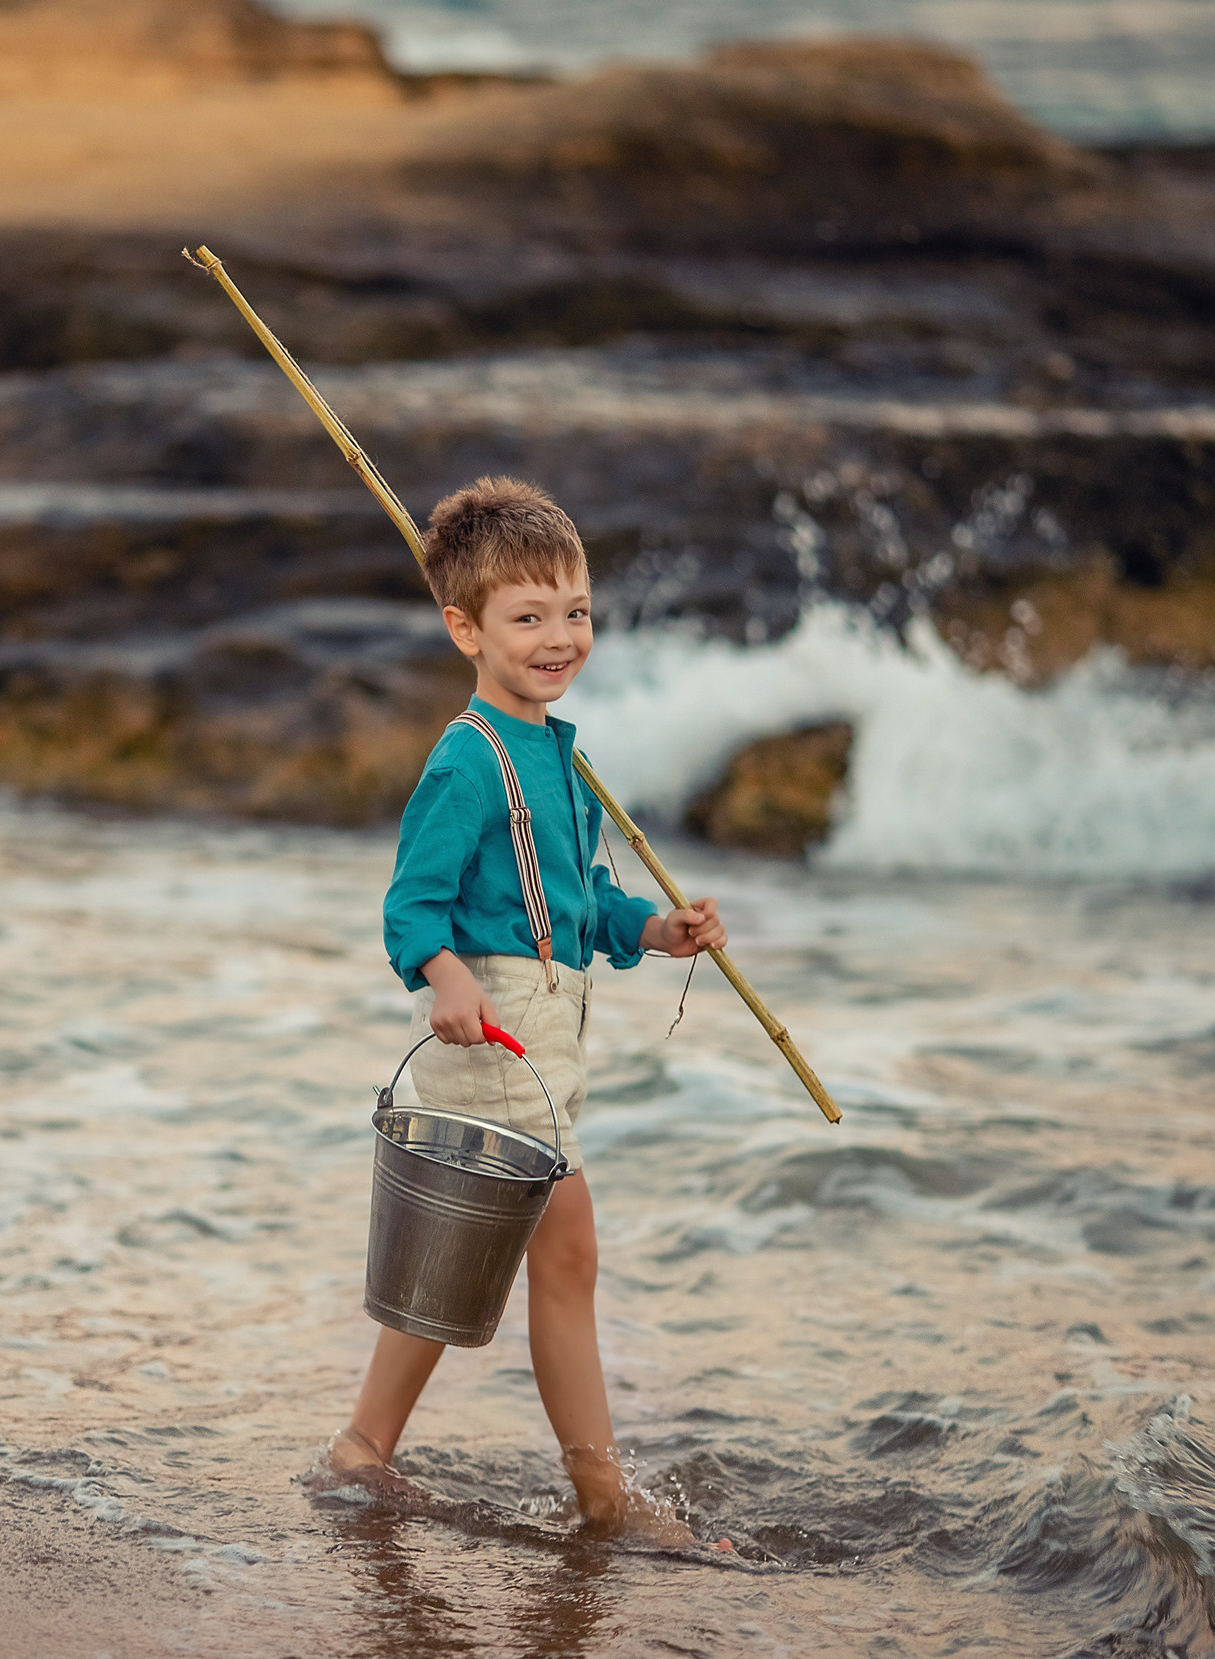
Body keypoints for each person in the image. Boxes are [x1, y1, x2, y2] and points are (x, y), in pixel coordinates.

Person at [327, 476, 730, 1541]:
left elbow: (579, 904)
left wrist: (654, 929)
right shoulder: (468, 760)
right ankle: (601, 1494)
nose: (561, 637)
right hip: (495, 1033)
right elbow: (411, 905)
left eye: (577, 612)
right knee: (561, 1249)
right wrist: (442, 973)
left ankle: (363, 1448)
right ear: (464, 628)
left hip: (552, 1032)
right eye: (529, 617)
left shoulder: (561, 757)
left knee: (471, 1255)